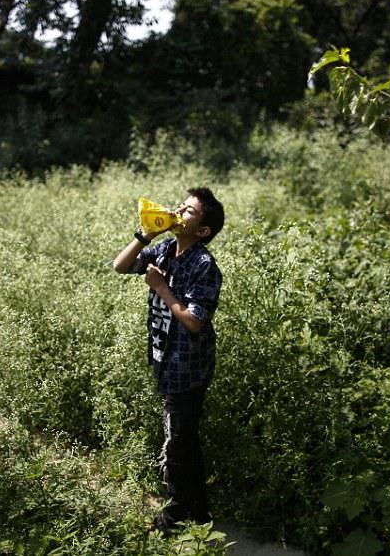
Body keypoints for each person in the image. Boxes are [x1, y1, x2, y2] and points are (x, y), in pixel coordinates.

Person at [112, 187, 225, 535]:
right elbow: (121, 265)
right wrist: (145, 234)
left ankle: (173, 518)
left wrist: (161, 287)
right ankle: (201, 511)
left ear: (203, 230)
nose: (179, 211)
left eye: (189, 211)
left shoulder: (204, 265)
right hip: (165, 358)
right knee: (185, 439)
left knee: (176, 444)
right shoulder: (165, 250)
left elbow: (193, 320)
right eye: (181, 205)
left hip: (188, 366)